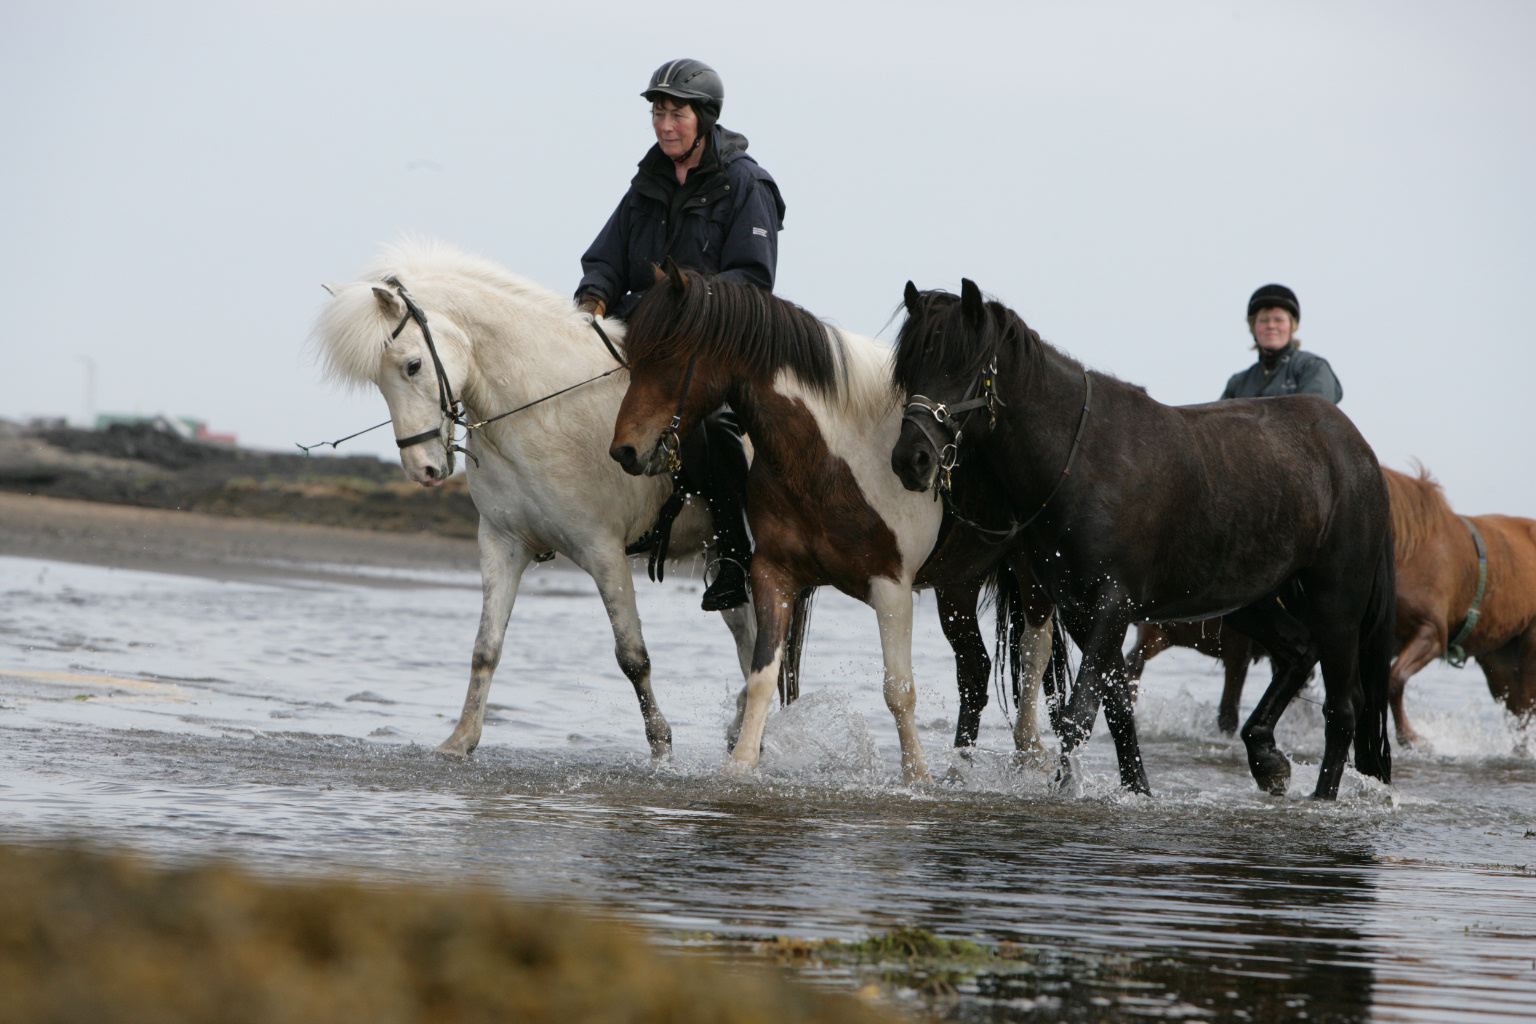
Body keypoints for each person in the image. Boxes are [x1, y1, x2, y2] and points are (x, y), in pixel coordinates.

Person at [576, 58, 786, 611]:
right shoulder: (646, 181)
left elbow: (754, 279)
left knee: (709, 421)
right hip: (645, 336)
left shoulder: (746, 183)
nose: (665, 126)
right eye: (658, 114)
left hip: (714, 345)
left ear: (705, 119)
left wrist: (682, 303)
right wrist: (592, 301)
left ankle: (734, 555)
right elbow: (606, 258)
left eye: (677, 115)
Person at [1220, 283, 1343, 403]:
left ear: (1292, 326)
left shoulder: (1312, 368)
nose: (1271, 326)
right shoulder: (1238, 383)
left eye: (1278, 320)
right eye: (1264, 320)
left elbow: (1315, 412)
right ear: (1253, 327)